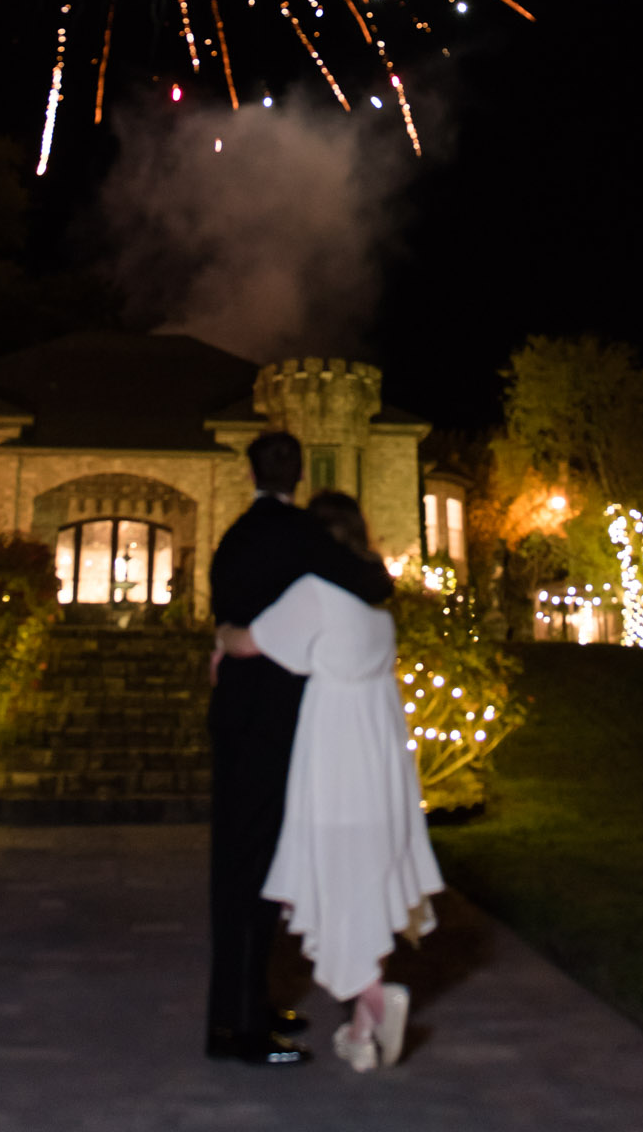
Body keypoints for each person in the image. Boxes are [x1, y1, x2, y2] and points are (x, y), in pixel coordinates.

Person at [218, 491, 443, 1073]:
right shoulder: (375, 610)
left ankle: (375, 999)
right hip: (381, 771)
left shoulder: (315, 595)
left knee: (337, 886)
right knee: (363, 886)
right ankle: (362, 1034)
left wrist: (220, 639)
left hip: (335, 765)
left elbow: (249, 642)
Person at [207, 432, 394, 1067]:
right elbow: (373, 581)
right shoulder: (301, 535)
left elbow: (224, 615)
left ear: (251, 470)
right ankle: (241, 1029)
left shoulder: (233, 537)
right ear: (298, 472)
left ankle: (238, 1008)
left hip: (233, 714)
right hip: (280, 723)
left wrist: (224, 641)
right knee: (261, 870)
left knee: (237, 866)